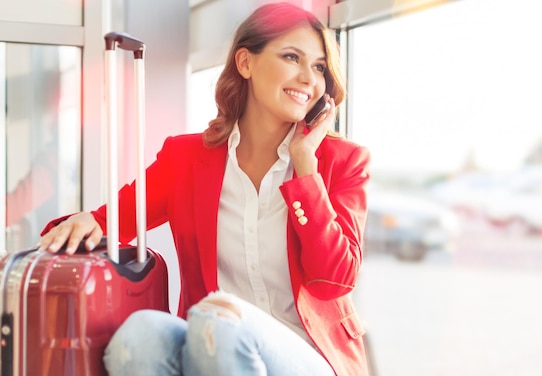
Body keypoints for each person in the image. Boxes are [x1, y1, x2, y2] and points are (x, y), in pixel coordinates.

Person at [38, 2, 371, 375]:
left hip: (308, 355)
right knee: (140, 334)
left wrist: (305, 165)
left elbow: (335, 282)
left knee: (224, 322)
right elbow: (109, 221)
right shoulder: (185, 159)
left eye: (320, 67)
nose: (309, 77)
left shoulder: (343, 161)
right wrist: (85, 224)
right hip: (214, 346)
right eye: (292, 57)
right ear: (246, 63)